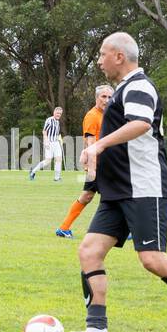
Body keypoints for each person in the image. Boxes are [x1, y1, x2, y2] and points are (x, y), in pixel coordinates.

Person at [64, 32, 167, 332]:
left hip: (144, 189)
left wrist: (98, 146)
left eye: (103, 53)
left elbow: (141, 124)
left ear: (119, 56)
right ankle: (97, 330)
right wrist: (96, 160)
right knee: (89, 252)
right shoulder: (123, 89)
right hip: (118, 191)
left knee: (151, 259)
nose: (99, 60)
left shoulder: (139, 85)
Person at [56, 86, 112, 238]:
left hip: (109, 163)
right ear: (96, 98)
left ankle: (64, 228)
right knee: (113, 195)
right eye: (103, 97)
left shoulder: (109, 114)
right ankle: (64, 228)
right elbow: (91, 143)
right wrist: (92, 168)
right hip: (99, 164)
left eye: (109, 97)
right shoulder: (92, 116)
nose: (106, 100)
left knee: (89, 196)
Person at [29, 107, 65, 182]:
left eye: (60, 114)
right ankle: (33, 171)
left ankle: (57, 178)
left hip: (56, 143)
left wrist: (60, 140)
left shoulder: (57, 122)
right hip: (49, 143)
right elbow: (44, 131)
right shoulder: (49, 120)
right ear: (54, 112)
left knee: (59, 159)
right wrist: (46, 141)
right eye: (57, 113)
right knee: (48, 161)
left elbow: (58, 133)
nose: (59, 115)